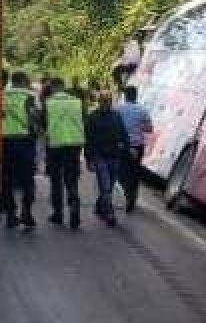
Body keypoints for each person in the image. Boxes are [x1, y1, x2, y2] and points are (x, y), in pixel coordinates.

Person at [44, 77, 86, 229]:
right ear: (63, 86)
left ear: (53, 87)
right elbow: (84, 121)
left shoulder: (48, 103)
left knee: (56, 181)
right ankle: (75, 212)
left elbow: (43, 124)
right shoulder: (77, 102)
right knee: (71, 180)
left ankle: (58, 214)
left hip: (55, 146)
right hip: (74, 145)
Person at [1, 71, 41, 229]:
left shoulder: (2, 96)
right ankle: (26, 212)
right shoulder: (30, 96)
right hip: (25, 142)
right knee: (27, 180)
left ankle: (11, 214)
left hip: (5, 142)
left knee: (7, 179)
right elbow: (34, 119)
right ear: (24, 81)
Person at [84, 91, 129, 226]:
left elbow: (123, 133)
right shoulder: (92, 117)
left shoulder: (116, 115)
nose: (106, 103)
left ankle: (100, 205)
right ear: (99, 102)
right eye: (104, 101)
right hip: (99, 155)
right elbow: (88, 139)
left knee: (110, 186)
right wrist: (89, 159)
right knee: (105, 185)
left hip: (114, 155)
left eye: (108, 101)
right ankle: (109, 213)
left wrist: (126, 146)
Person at [115, 85, 154, 213]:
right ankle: (132, 197)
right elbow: (149, 129)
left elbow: (113, 126)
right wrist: (138, 126)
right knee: (134, 172)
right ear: (135, 96)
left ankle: (126, 193)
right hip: (137, 146)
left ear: (125, 96)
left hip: (121, 145)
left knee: (121, 171)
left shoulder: (117, 109)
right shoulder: (143, 110)